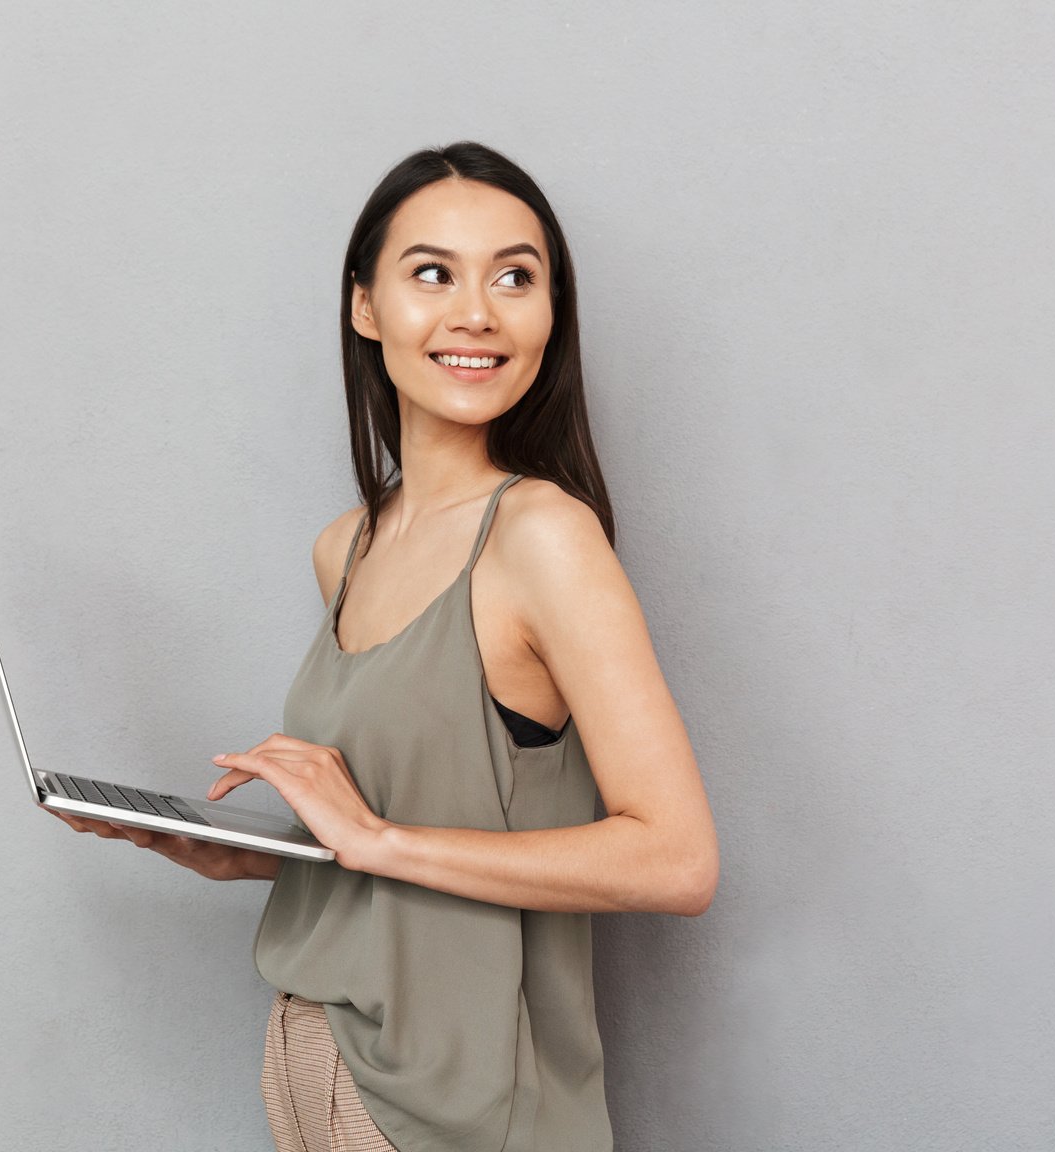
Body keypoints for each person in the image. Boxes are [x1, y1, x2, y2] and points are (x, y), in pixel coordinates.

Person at [52, 140, 720, 1152]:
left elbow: (677, 861)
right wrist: (258, 855)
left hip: (459, 1106)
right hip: (316, 1053)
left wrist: (378, 842)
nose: (477, 312)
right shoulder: (346, 548)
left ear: (551, 314)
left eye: (515, 277)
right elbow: (427, 820)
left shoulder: (542, 536)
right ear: (365, 305)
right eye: (432, 273)